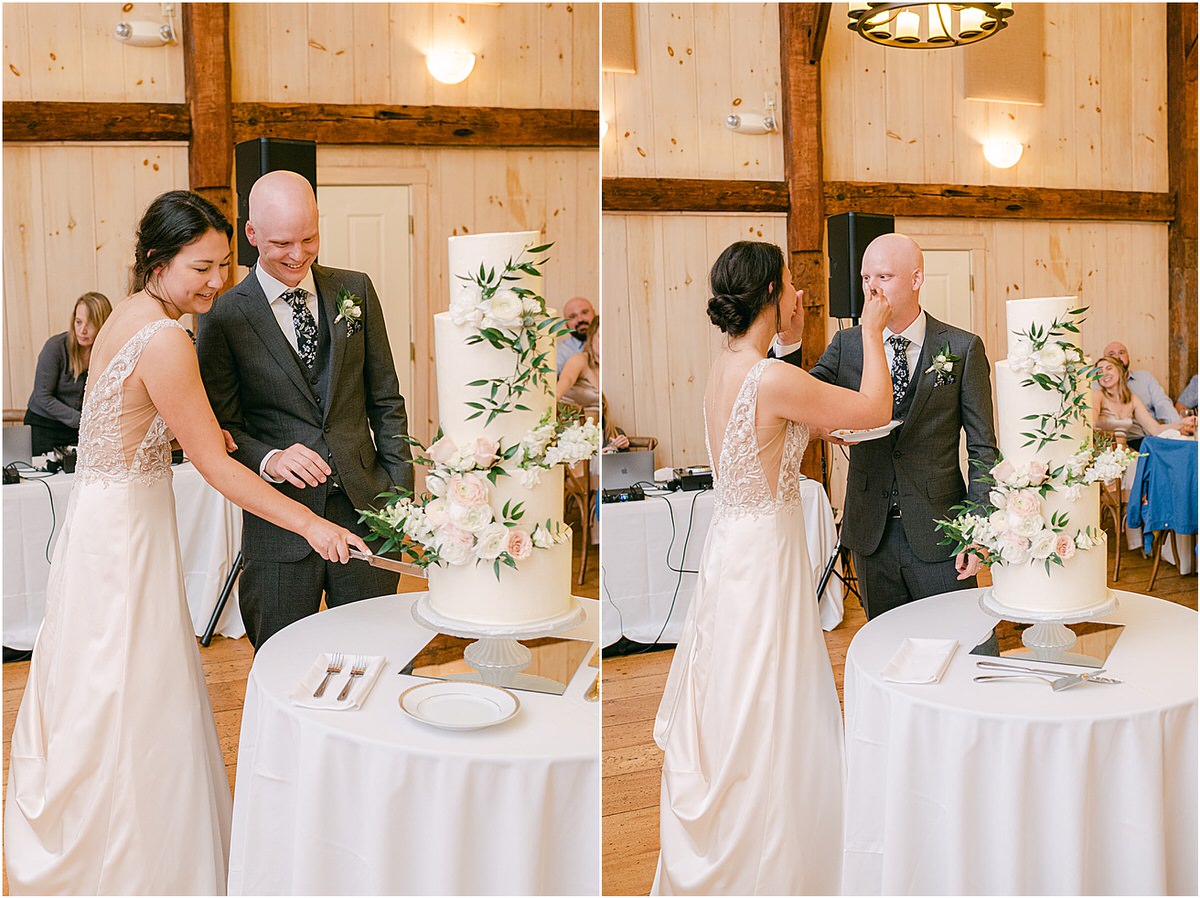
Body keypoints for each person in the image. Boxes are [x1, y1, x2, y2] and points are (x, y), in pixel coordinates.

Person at [5, 191, 370, 895]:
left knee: (99, 684)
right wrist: (311, 523)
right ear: (157, 261)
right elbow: (215, 467)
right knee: (135, 687)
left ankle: (98, 839)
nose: (215, 281)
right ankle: (136, 864)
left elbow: (138, 417)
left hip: (101, 522)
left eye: (222, 265)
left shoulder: (127, 317)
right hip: (126, 538)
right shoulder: (167, 338)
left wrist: (197, 430)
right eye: (199, 267)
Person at [653, 241, 893, 895]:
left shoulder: (728, 365)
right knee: (770, 697)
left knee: (741, 694)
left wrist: (807, 426)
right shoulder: (772, 378)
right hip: (764, 559)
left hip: (736, 547)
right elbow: (874, 410)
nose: (800, 295)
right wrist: (871, 329)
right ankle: (773, 860)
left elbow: (758, 434)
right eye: (790, 283)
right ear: (768, 294)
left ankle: (750, 834)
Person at [196, 171, 413, 650]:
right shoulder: (223, 315)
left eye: (309, 239)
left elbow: (386, 400)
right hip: (280, 526)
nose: (298, 255)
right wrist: (270, 458)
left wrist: (398, 497)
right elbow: (222, 428)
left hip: (368, 514)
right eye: (282, 243)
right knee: (281, 657)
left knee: (380, 652)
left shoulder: (355, 289)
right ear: (252, 234)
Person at [800, 233, 999, 621]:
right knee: (886, 646)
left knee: (965, 638)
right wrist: (788, 348)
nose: (872, 289)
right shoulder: (847, 345)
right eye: (865, 278)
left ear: (916, 279)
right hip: (871, 534)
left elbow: (983, 449)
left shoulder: (962, 348)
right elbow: (799, 396)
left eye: (884, 277)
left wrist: (978, 531)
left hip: (942, 532)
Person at [23, 292, 113, 454]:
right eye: (78, 322)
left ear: (103, 324)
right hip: (44, 426)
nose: (82, 330)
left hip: (80, 430)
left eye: (91, 324)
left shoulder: (109, 354)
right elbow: (42, 396)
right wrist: (82, 420)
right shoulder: (55, 347)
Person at [1094, 356, 1195, 449]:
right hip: (1104, 452)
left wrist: (1183, 422)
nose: (1104, 373)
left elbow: (1155, 430)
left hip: (1125, 451)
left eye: (1109, 368)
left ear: (1119, 371)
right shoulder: (1097, 395)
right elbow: (1090, 426)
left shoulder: (1132, 399)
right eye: (1099, 372)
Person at [1103, 341, 1180, 423]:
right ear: (1103, 360)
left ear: (1128, 357)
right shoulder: (1097, 386)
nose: (1117, 357)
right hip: (1119, 430)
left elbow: (1162, 403)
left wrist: (1177, 425)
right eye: (1111, 354)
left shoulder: (1145, 377)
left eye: (1121, 353)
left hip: (1150, 429)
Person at [556, 315, 600, 411]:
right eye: (600, 336)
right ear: (591, 337)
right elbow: (567, 379)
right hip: (569, 416)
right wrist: (556, 396)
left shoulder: (614, 371)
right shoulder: (580, 359)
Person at [556, 295, 595, 374]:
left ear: (594, 313)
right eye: (573, 316)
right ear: (566, 323)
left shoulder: (610, 343)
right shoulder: (560, 352)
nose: (580, 319)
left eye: (584, 312)